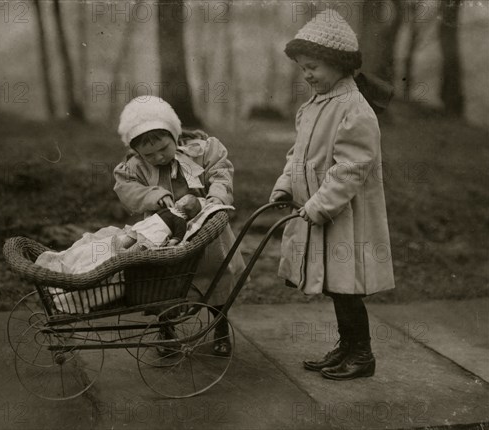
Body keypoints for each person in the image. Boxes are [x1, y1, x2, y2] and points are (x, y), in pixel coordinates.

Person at [269, 10, 395, 380]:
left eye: (314, 67)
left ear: (339, 64)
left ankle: (362, 354)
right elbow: (297, 155)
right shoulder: (313, 106)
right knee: (335, 286)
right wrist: (285, 186)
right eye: (303, 68)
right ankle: (346, 346)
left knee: (347, 287)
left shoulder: (355, 108)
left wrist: (319, 205)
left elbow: (352, 167)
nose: (307, 75)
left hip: (344, 215)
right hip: (318, 212)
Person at [114, 95, 245, 356]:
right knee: (165, 281)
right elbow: (126, 188)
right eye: (149, 154)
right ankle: (166, 330)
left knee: (216, 277)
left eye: (164, 148)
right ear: (138, 152)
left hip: (206, 229)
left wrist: (216, 198)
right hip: (164, 233)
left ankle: (220, 327)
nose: (159, 157)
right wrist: (152, 195)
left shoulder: (201, 151)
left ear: (174, 136)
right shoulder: (135, 166)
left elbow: (220, 172)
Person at [115, 194, 202, 252]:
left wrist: (173, 241)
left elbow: (180, 233)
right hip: (147, 226)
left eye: (182, 201)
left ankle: (125, 255)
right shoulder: (170, 209)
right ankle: (119, 246)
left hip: (155, 233)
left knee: (141, 245)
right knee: (133, 234)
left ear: (186, 213)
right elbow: (158, 213)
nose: (178, 200)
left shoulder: (181, 220)